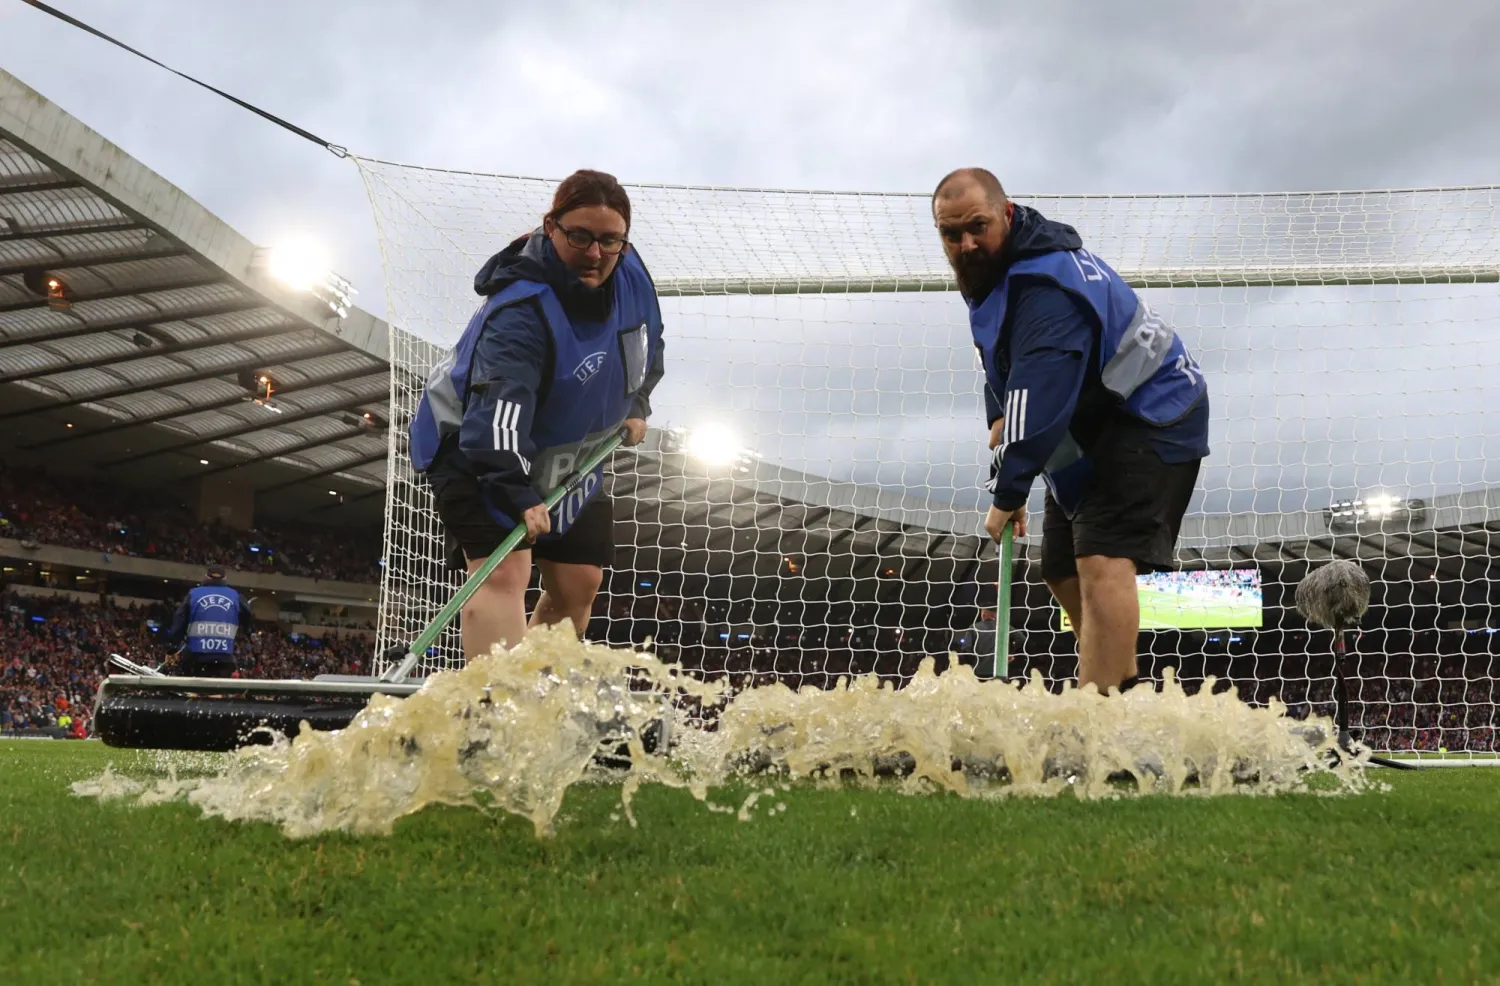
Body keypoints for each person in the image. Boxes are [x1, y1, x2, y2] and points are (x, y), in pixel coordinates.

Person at [933, 167, 1210, 694]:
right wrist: (998, 423)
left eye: (978, 226)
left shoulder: (1046, 284)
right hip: (1091, 421)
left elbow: (1040, 400)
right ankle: (1122, 692)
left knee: (1102, 558)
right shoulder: (991, 271)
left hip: (1151, 412)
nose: (967, 244)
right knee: (1060, 569)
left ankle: (1103, 712)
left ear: (1007, 215)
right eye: (952, 234)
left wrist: (1009, 491)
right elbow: (1002, 362)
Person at [410, 169, 666, 662]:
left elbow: (646, 343)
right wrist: (517, 491)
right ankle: (492, 718)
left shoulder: (631, 274)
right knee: (505, 571)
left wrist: (637, 405)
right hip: (476, 445)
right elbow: (494, 416)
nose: (595, 253)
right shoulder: (520, 313)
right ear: (551, 227)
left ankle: (536, 704)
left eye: (610, 240)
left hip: (567, 452)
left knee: (579, 580)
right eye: (580, 236)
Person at [164, 565, 255, 678]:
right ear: (225, 578)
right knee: (217, 690)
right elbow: (248, 616)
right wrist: (246, 631)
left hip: (195, 655)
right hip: (224, 655)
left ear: (206, 577)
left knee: (192, 690)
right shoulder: (235, 596)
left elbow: (179, 619)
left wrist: (172, 648)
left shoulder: (193, 594)